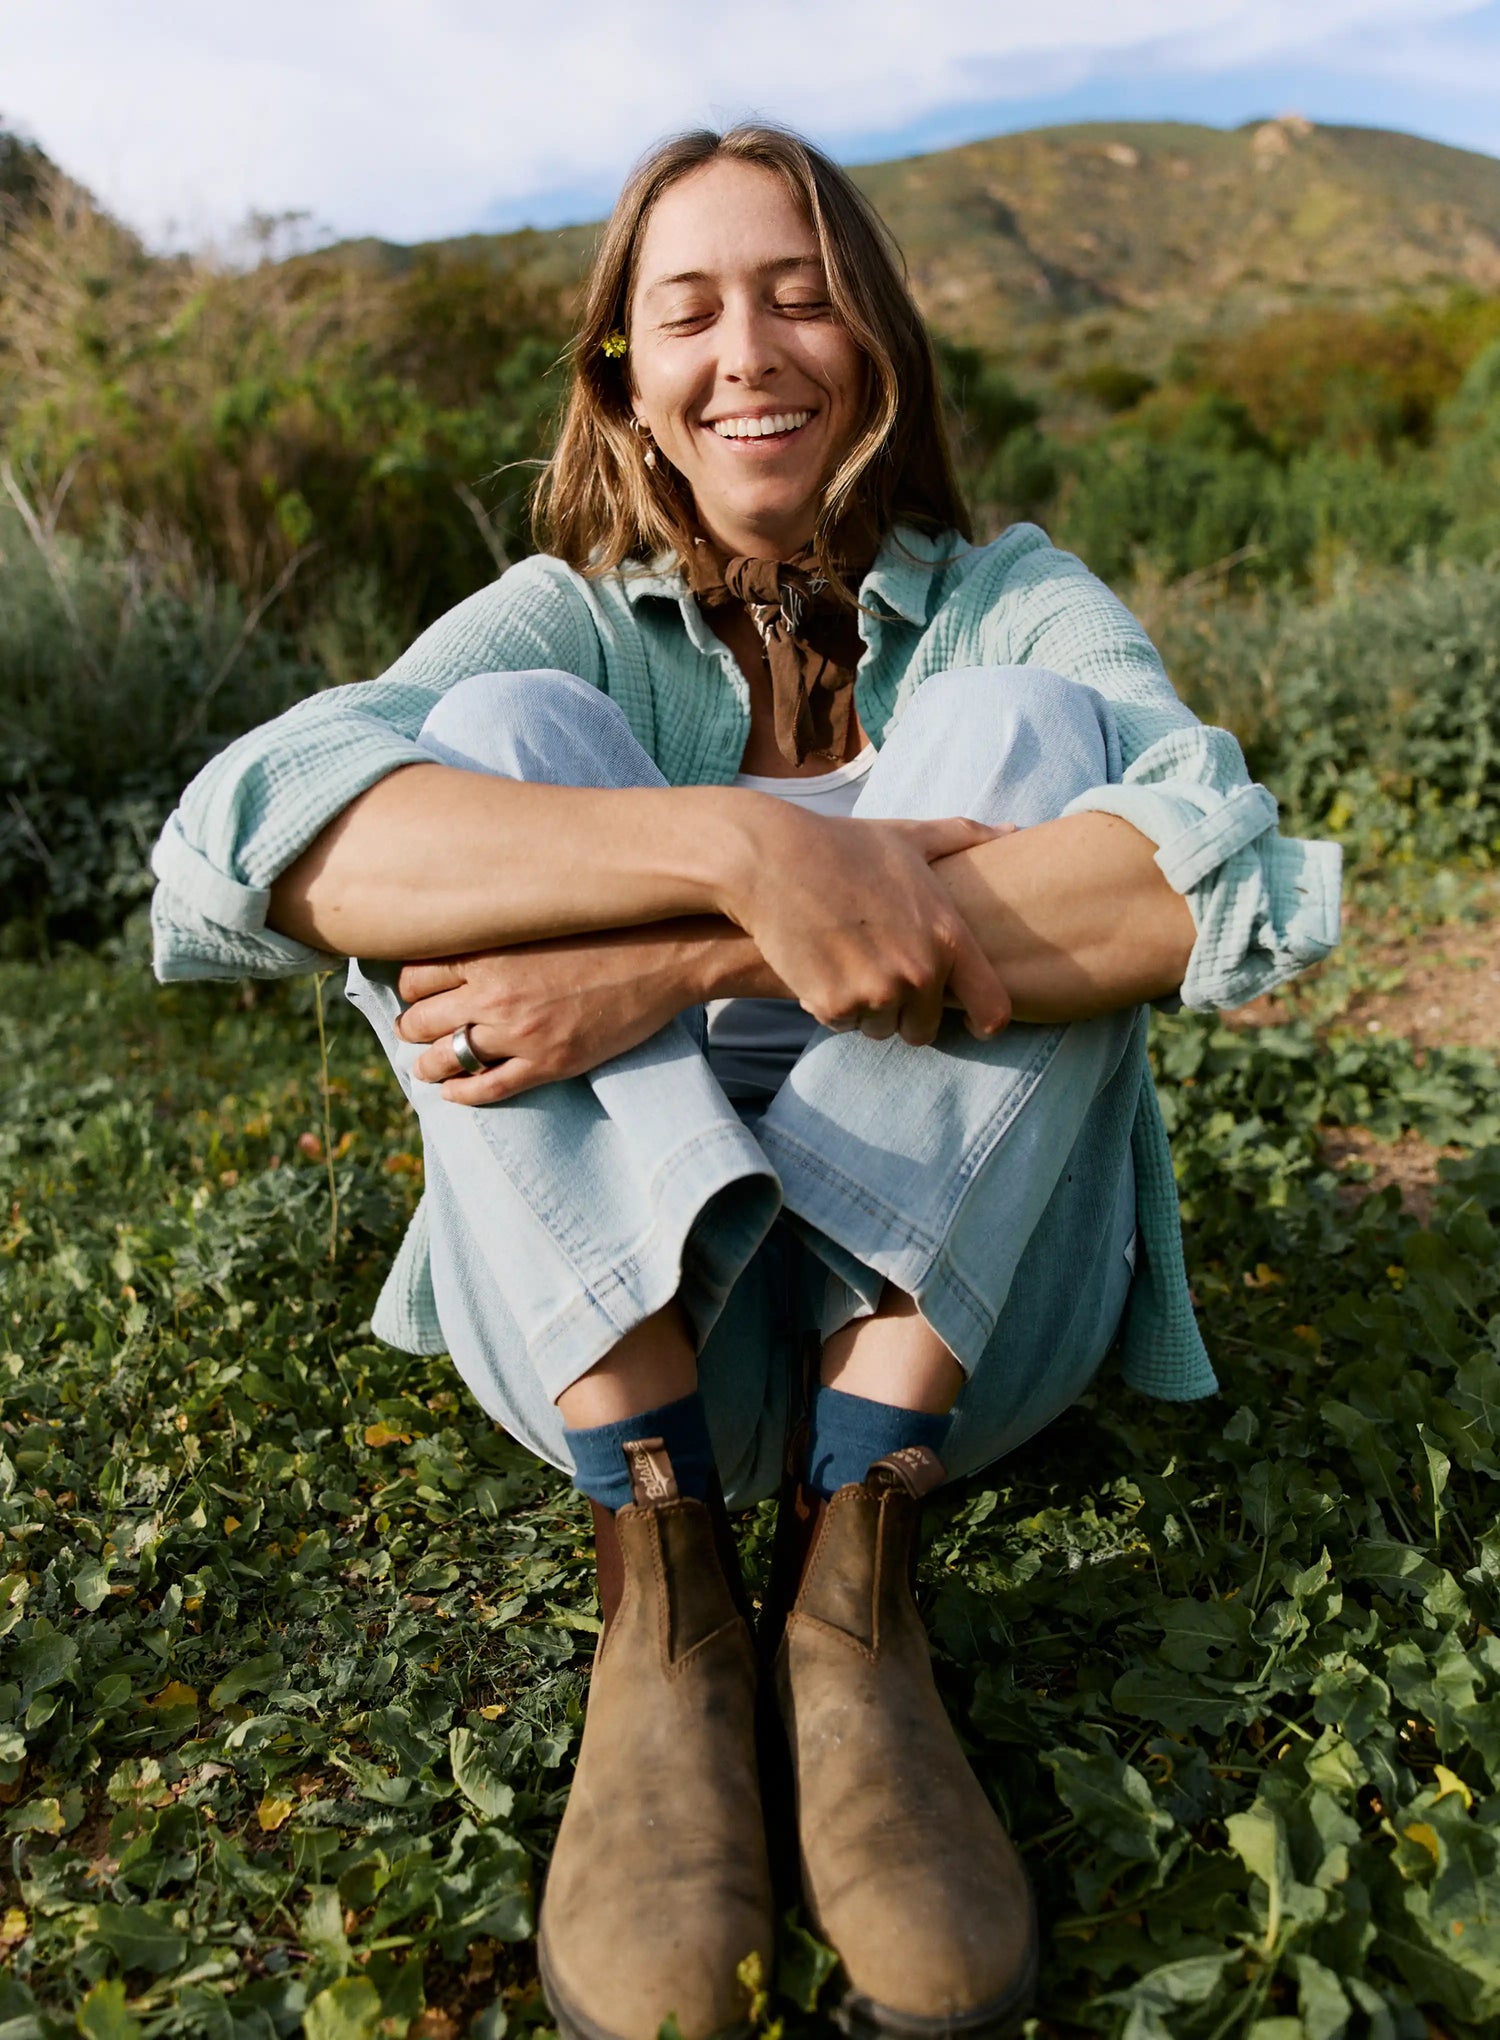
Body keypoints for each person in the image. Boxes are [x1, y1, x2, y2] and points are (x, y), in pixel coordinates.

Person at [151, 124, 1341, 2040]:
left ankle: (855, 1595)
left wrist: (692, 943)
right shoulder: (566, 616)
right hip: (629, 1336)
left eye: (801, 294)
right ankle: (671, 1603)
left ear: (874, 341)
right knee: (491, 742)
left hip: (947, 1338)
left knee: (1036, 738)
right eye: (687, 308)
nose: (751, 349)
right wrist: (738, 841)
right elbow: (252, 835)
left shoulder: (1010, 601)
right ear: (625, 372)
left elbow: (1203, 879)